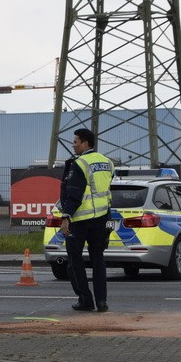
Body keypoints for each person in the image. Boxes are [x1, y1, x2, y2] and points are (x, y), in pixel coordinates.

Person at [59, 128, 114, 313]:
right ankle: (102, 302)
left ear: (85, 143)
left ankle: (85, 300)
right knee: (98, 259)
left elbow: (74, 193)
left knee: (74, 260)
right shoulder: (107, 162)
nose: (73, 145)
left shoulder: (80, 163)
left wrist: (66, 216)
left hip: (80, 218)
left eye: (76, 142)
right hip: (101, 218)